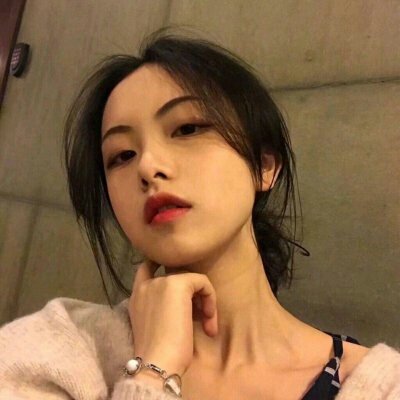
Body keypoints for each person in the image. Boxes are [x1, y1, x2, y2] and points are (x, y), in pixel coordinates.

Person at [0, 27, 399, 400]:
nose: (147, 167)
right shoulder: (56, 349)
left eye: (187, 129)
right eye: (122, 155)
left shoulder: (381, 385)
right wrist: (152, 370)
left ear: (264, 165)